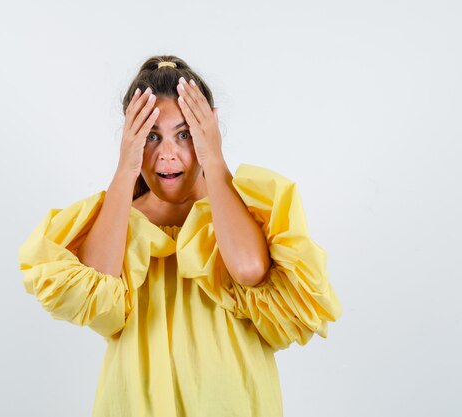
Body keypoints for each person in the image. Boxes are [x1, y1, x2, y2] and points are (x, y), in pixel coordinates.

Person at [17, 55, 343, 417]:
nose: (167, 153)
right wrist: (126, 169)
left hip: (233, 403)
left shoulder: (246, 213)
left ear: (207, 131)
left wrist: (214, 159)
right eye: (151, 136)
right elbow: (95, 288)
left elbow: (250, 269)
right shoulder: (117, 218)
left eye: (184, 134)